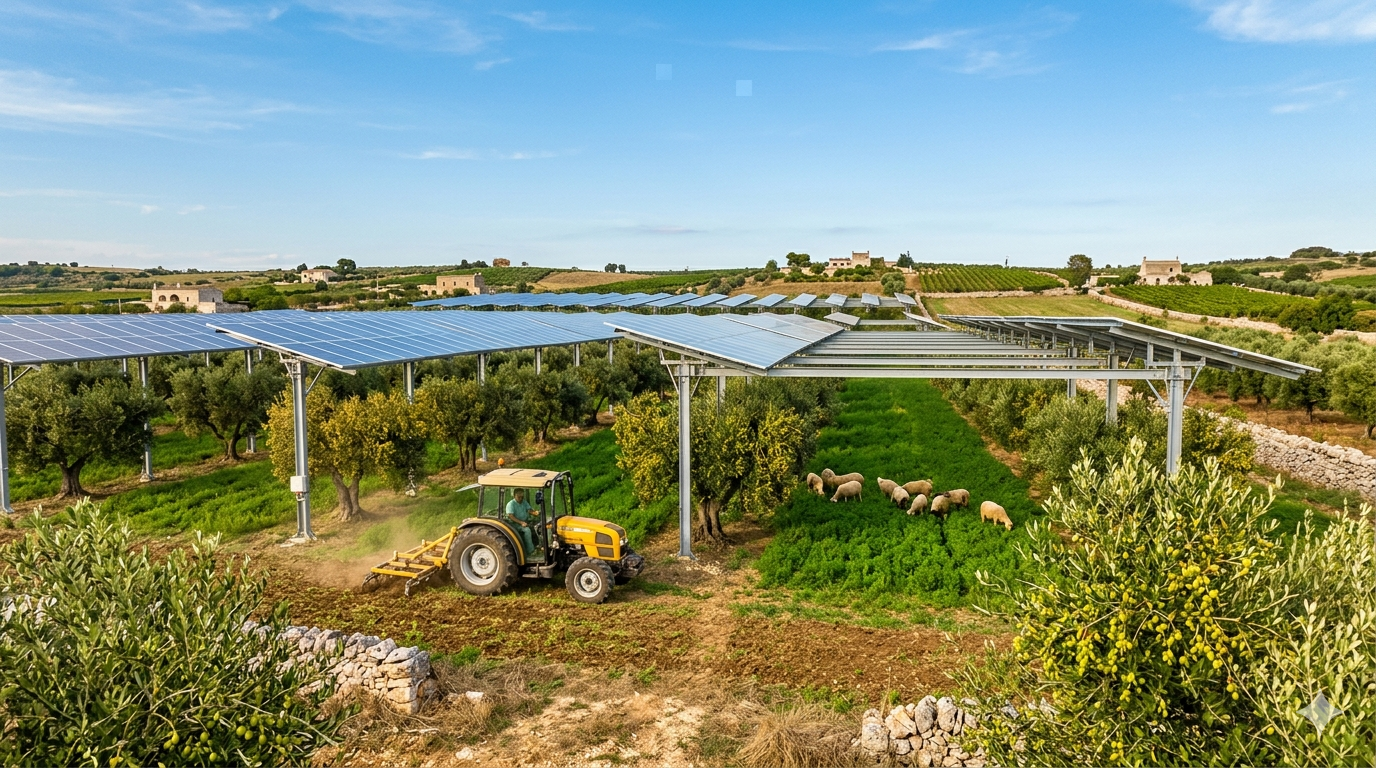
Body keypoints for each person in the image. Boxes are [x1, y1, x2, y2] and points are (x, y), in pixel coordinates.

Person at [505, 488, 538, 559]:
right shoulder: (511, 504)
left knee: (537, 526)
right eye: (519, 497)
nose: (520, 498)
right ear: (514, 496)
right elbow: (511, 516)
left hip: (524, 521)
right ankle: (531, 551)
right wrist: (521, 522)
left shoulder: (524, 502)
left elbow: (529, 510)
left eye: (522, 496)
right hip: (514, 524)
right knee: (527, 530)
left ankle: (538, 545)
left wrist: (534, 513)